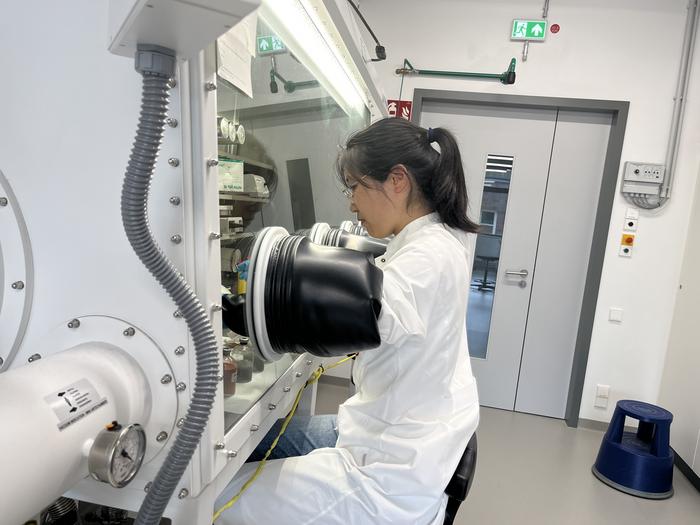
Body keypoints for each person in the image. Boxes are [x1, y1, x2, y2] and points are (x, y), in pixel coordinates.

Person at [215, 117, 480, 524]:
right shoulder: (436, 240)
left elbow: (370, 306)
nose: (352, 203)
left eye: (355, 186)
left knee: (215, 500)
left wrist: (244, 311)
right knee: (258, 441)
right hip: (388, 433)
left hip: (384, 475)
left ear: (397, 180)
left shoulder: (429, 256)